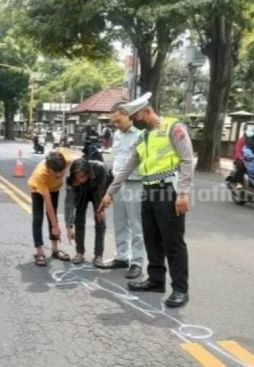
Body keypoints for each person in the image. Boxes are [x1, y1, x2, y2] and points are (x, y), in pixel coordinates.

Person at [99, 92, 194, 308]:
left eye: (138, 115)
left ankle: (180, 289)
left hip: (168, 189)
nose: (137, 120)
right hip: (148, 190)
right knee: (152, 238)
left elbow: (188, 160)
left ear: (147, 110)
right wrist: (110, 192)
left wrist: (183, 193)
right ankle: (156, 280)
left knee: (173, 242)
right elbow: (127, 168)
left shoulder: (173, 127)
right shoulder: (142, 137)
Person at [99, 102, 145, 280]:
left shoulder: (140, 136)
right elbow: (117, 162)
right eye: (114, 122)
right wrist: (110, 189)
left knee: (136, 225)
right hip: (118, 184)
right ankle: (122, 256)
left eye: (118, 121)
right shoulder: (117, 135)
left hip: (135, 183)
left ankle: (137, 262)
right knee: (119, 222)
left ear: (128, 115)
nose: (116, 125)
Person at [28, 150, 73, 266]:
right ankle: (39, 251)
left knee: (53, 215)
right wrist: (55, 227)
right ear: (48, 168)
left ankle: (55, 249)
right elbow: (48, 204)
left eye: (61, 172)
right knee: (38, 217)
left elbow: (78, 159)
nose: (59, 175)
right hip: (37, 188)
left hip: (54, 189)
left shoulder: (65, 159)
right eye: (55, 172)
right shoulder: (41, 174)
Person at [64, 158, 108, 266]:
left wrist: (100, 210)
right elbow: (69, 204)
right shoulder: (71, 181)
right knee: (78, 219)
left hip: (98, 191)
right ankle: (80, 252)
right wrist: (69, 227)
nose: (80, 180)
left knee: (100, 221)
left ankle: (98, 255)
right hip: (82, 193)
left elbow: (102, 191)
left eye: (83, 176)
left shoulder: (99, 169)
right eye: (77, 178)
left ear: (88, 173)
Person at [233, 122, 254, 190]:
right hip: (240, 159)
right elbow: (238, 151)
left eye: (253, 129)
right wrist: (242, 158)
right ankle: (238, 182)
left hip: (253, 159)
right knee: (241, 165)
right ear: (245, 130)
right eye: (249, 129)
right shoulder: (242, 140)